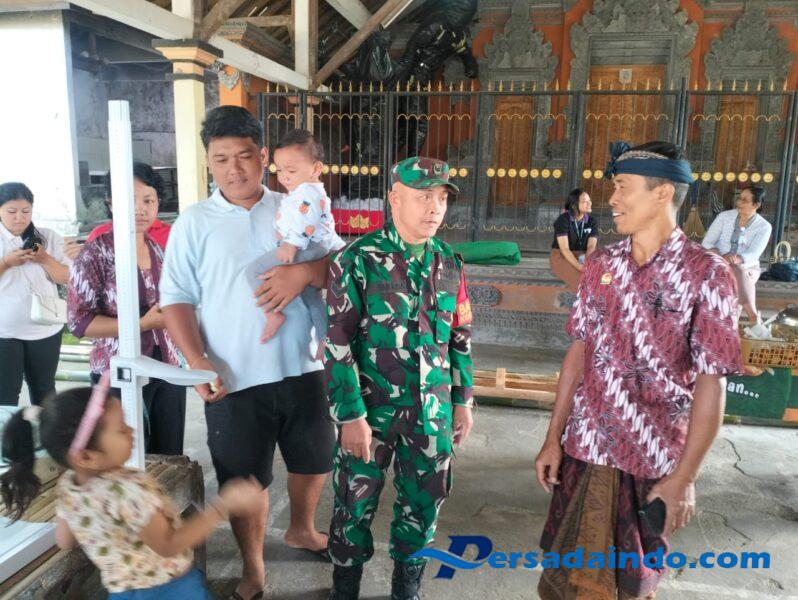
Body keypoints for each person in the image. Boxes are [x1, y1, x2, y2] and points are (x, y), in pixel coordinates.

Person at [534, 141, 743, 599]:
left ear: (662, 193)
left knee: (630, 585)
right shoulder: (601, 265)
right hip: (585, 447)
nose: (611, 199)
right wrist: (553, 438)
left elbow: (712, 383)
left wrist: (685, 477)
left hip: (651, 458)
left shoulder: (706, 273)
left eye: (623, 187)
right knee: (566, 579)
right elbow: (579, 350)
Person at [160, 105, 335, 600]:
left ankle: (301, 528)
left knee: (314, 459)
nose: (234, 170)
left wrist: (304, 273)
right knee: (244, 479)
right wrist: (198, 362)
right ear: (208, 163)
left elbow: (339, 266)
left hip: (305, 365)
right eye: (221, 160)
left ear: (263, 156)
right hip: (233, 376)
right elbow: (175, 300)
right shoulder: (194, 222)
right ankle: (253, 567)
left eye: (243, 156)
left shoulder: (296, 204)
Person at [325, 157, 475, 600]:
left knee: (425, 503)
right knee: (353, 503)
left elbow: (460, 338)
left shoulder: (449, 262)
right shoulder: (357, 260)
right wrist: (350, 416)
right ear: (394, 198)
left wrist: (463, 401)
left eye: (442, 198)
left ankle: (406, 588)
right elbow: (337, 343)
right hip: (370, 412)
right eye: (424, 196)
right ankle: (345, 587)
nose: (435, 207)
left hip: (432, 412)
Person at [0, 377, 263, 599]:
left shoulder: (69, 486)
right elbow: (169, 544)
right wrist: (221, 508)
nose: (131, 430)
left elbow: (65, 541)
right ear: (85, 456)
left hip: (122, 592)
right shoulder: (128, 490)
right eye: (120, 429)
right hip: (170, 590)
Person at [67, 163, 186, 456]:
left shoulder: (160, 250)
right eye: (130, 200)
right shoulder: (96, 254)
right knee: (124, 455)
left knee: (170, 454)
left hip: (167, 365)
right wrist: (142, 324)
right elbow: (79, 323)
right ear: (111, 201)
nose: (141, 209)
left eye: (149, 200)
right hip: (116, 370)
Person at [247, 129, 345, 356]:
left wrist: (291, 242)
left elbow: (305, 219)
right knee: (311, 296)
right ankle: (324, 338)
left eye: (291, 170)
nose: (284, 177)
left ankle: (272, 313)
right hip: (312, 244)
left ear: (316, 168)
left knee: (253, 271)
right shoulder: (303, 189)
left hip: (307, 246)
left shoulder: (307, 191)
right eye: (279, 170)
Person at [0, 182, 71, 406]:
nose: (19, 217)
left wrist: (45, 259)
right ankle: (8, 431)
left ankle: (48, 430)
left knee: (44, 389)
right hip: (4, 331)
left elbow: (68, 278)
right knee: (5, 395)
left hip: (46, 327)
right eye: (12, 211)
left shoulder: (48, 237)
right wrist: (6, 263)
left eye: (26, 211)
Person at [702, 186, 772, 326]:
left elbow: (754, 254)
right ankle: (753, 317)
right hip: (719, 262)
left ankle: (730, 327)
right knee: (733, 273)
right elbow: (707, 242)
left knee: (736, 271)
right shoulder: (724, 217)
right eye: (739, 198)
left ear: (756, 205)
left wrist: (735, 259)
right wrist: (720, 256)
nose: (739, 202)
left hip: (747, 267)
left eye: (744, 200)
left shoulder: (764, 226)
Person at [86, 175, 171, 250]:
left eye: (148, 201)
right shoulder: (99, 235)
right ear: (111, 204)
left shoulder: (171, 235)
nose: (139, 211)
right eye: (129, 201)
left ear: (158, 202)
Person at [549, 188, 598, 291]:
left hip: (583, 255)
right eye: (585, 201)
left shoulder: (592, 221)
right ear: (574, 205)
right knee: (581, 281)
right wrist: (579, 266)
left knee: (599, 276)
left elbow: (591, 246)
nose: (589, 203)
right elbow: (564, 249)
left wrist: (587, 263)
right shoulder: (563, 220)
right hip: (562, 256)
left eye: (589, 200)